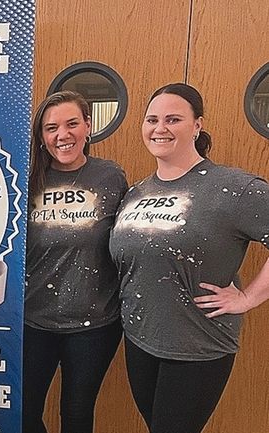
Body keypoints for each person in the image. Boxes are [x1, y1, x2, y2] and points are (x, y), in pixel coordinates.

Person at [110, 83, 269, 433]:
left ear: (197, 125)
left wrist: (249, 297)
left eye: (173, 119)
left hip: (198, 346)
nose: (160, 128)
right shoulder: (137, 191)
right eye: (152, 119)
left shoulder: (232, 187)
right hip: (140, 339)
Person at [23, 91, 127, 433]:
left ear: (88, 126)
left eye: (71, 124)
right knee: (24, 413)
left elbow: (129, 240)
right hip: (32, 321)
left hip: (94, 325)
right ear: (41, 136)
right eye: (51, 128)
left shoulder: (111, 177)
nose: (62, 135)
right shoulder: (25, 178)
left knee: (77, 415)